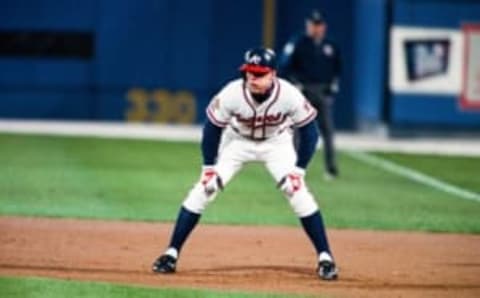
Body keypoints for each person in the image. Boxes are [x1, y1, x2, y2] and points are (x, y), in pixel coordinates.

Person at [152, 47, 338, 280]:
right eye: (249, 72)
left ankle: (325, 258)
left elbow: (310, 132)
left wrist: (298, 171)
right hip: (236, 142)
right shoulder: (232, 93)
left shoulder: (288, 94)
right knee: (203, 189)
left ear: (273, 74)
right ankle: (171, 253)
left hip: (276, 143)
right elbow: (212, 130)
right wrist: (208, 168)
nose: (252, 78)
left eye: (259, 74)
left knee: (298, 192)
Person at [280, 9, 341, 179]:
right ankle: (293, 167)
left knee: (327, 130)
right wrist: (295, 84)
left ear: (323, 27)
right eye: (312, 25)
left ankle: (331, 168)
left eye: (318, 25)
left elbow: (337, 69)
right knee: (298, 130)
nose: (315, 28)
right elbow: (285, 65)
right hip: (303, 91)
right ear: (308, 26)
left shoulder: (331, 45)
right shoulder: (298, 42)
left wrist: (333, 87)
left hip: (322, 91)